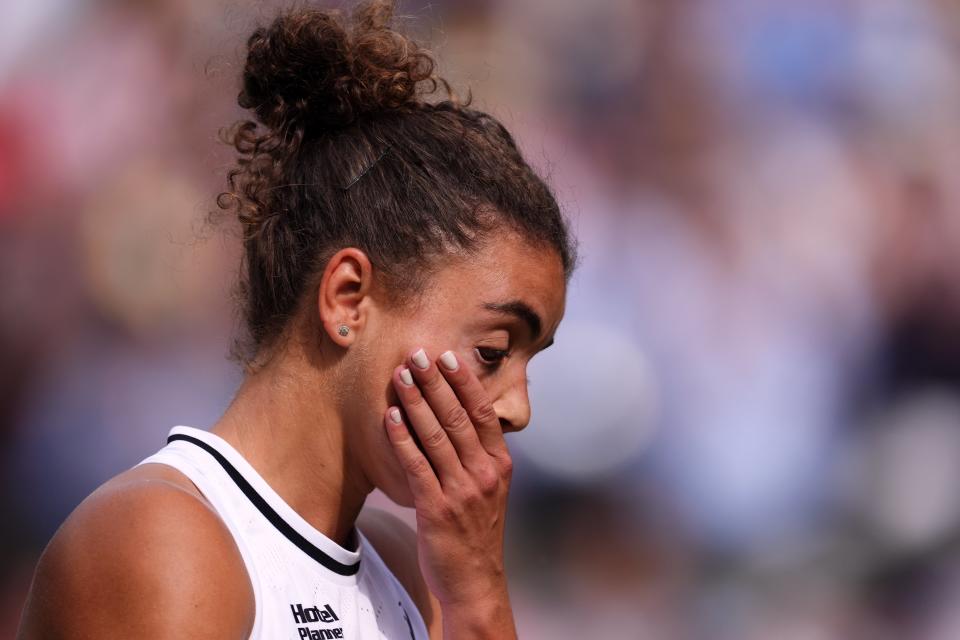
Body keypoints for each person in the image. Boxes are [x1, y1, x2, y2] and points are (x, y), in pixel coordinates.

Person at [16, 0, 576, 637]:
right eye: (495, 350)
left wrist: (479, 597)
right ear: (346, 298)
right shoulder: (163, 541)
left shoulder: (413, 572)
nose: (517, 410)